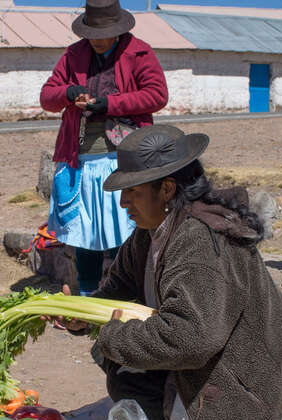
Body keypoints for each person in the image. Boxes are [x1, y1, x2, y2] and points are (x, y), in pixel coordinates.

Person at [60, 125, 282, 420]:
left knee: (125, 361)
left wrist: (112, 337)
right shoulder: (150, 234)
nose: (122, 203)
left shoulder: (201, 240)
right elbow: (116, 294)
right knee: (125, 374)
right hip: (210, 379)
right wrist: (82, 313)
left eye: (131, 191)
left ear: (165, 189)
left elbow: (191, 337)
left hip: (250, 402)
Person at [40, 0, 168, 295]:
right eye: (91, 35)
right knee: (87, 232)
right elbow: (47, 97)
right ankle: (87, 295)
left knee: (127, 228)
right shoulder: (74, 55)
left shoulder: (139, 53)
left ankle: (132, 293)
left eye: (103, 34)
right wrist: (68, 93)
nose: (96, 41)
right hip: (83, 157)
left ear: (118, 30)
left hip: (125, 157)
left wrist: (111, 103)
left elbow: (157, 94)